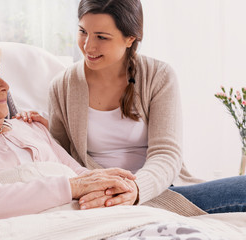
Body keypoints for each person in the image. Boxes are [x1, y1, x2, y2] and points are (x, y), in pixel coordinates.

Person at [17, 0, 246, 215]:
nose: (88, 45)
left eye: (102, 37)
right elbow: (62, 159)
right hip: (100, 195)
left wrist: (135, 191)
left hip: (157, 189)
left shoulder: (159, 76)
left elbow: (167, 153)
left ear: (130, 38)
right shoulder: (62, 85)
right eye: (83, 31)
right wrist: (39, 132)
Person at [0, 36, 138, 228]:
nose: (5, 85)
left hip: (92, 222)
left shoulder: (32, 127)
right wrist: (70, 187)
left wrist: (113, 190)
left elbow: (80, 175)